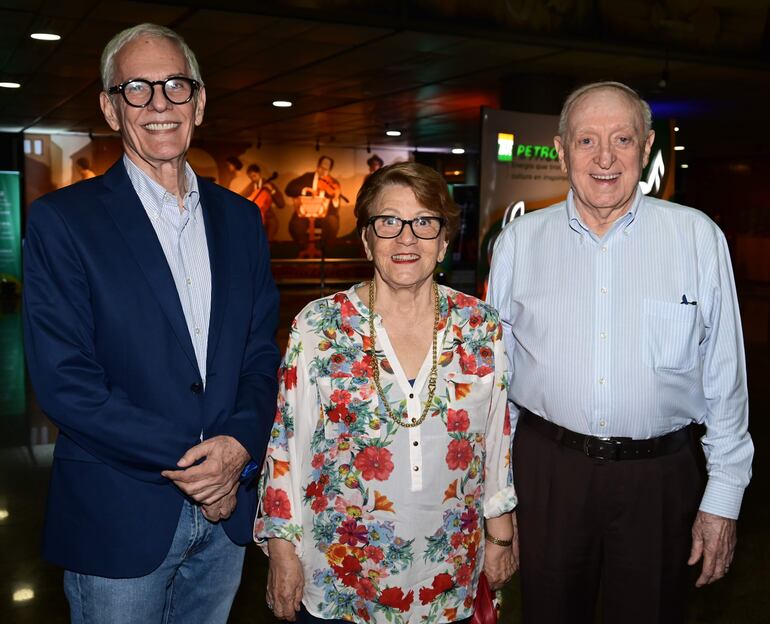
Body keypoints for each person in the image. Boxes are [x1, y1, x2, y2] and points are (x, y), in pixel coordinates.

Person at [22, 23, 280, 624]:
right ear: (111, 110)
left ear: (200, 101)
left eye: (175, 85)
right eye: (136, 88)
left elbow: (260, 354)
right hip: (119, 513)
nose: (159, 103)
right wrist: (201, 465)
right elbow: (66, 382)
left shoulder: (241, 220)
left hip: (227, 513)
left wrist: (240, 446)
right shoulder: (64, 222)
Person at [487, 81, 753, 624]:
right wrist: (498, 500)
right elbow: (497, 377)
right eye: (587, 140)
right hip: (549, 474)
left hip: (660, 479)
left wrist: (722, 497)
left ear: (647, 146)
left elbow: (725, 378)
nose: (605, 158)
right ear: (561, 150)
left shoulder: (697, 238)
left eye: (622, 139)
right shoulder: (519, 242)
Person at [256, 161, 517, 623]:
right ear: (366, 239)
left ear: (443, 243)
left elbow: (496, 442)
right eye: (388, 222)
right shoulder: (319, 327)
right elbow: (286, 448)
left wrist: (500, 533)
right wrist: (282, 549)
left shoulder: (480, 326)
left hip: (449, 570)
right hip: (342, 573)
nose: (406, 238)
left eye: (424, 223)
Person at [285, 155, 343, 246]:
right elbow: (289, 189)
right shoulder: (307, 177)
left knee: (333, 223)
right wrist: (304, 190)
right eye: (321, 168)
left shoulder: (333, 183)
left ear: (329, 170)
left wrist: (335, 199)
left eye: (326, 169)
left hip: (325, 216)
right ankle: (305, 249)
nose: (323, 171)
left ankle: (323, 250)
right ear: (317, 166)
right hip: (305, 215)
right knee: (295, 226)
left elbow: (335, 209)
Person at [246, 163, 284, 241]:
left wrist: (273, 191)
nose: (253, 179)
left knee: (267, 242)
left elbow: (281, 204)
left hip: (269, 218)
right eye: (250, 177)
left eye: (254, 176)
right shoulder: (250, 187)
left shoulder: (269, 185)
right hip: (256, 219)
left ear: (259, 173)